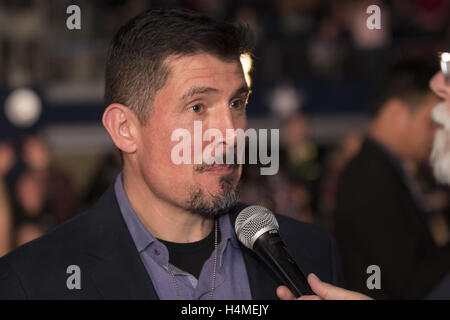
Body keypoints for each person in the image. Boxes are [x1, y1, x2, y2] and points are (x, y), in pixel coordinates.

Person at [0, 8, 365, 300]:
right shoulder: (33, 281)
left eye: (237, 103)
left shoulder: (311, 256)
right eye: (197, 108)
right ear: (125, 129)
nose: (231, 132)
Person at [334, 61, 450, 299]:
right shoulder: (369, 177)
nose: (437, 134)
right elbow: (407, 282)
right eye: (431, 123)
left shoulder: (387, 169)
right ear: (396, 113)